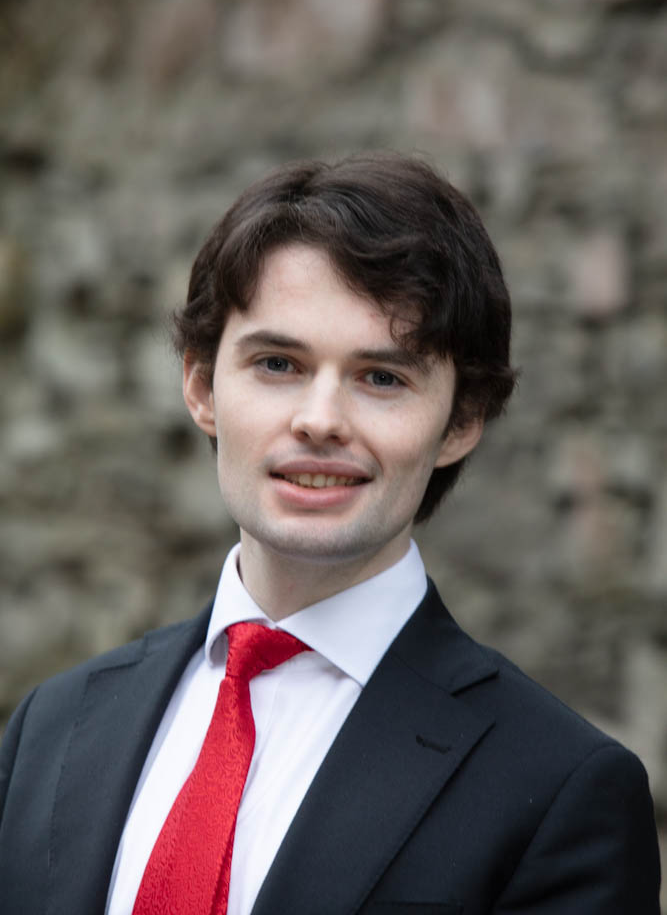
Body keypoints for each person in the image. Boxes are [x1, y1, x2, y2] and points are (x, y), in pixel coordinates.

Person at [0, 153, 660, 914]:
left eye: (381, 378)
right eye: (277, 363)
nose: (319, 419)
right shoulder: (53, 727)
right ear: (200, 386)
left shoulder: (557, 792)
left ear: (463, 419)